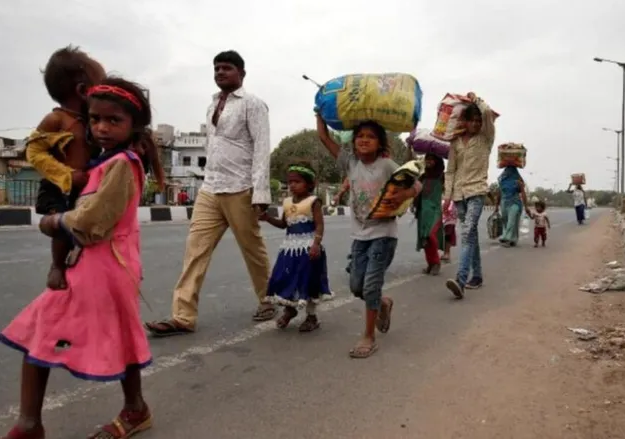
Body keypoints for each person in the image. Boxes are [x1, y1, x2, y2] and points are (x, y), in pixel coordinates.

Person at [0, 77, 164, 439]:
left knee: (93, 333)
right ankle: (31, 422)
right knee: (47, 330)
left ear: (133, 125)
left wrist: (55, 220)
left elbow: (94, 221)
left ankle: (130, 409)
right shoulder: (103, 162)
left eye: (113, 120)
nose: (102, 127)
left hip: (108, 265)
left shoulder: (122, 163)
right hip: (96, 264)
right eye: (95, 119)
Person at [145, 50, 274, 337]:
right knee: (195, 251)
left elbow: (262, 147)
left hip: (240, 187)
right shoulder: (212, 104)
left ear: (242, 73)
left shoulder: (253, 104)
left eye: (226, 68)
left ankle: (269, 299)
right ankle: (182, 316)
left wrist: (260, 192)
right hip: (210, 187)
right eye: (216, 68)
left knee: (252, 250)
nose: (220, 73)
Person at [316, 114, 422, 358]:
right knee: (356, 286)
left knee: (371, 285)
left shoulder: (386, 165)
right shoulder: (351, 164)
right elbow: (323, 137)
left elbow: (416, 185)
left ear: (380, 143)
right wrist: (320, 114)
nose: (364, 140)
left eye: (371, 137)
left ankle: (368, 336)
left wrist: (403, 195)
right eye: (360, 136)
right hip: (360, 235)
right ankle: (383, 303)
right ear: (353, 142)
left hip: (383, 234)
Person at [26, 46, 106, 290]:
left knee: (82, 225)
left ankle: (80, 262)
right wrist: (66, 175)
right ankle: (57, 266)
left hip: (84, 186)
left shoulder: (92, 122)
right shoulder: (56, 120)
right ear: (83, 91)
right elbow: (33, 151)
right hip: (59, 185)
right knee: (61, 226)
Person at [260, 161, 332, 332]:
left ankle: (311, 317)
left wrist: (316, 244)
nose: (292, 185)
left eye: (297, 181)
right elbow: (284, 224)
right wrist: (267, 218)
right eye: (290, 181)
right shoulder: (286, 203)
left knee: (308, 282)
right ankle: (290, 310)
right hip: (289, 250)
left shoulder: (314, 202)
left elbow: (320, 225)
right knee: (284, 279)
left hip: (308, 250)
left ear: (308, 183)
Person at [442, 100, 496, 299]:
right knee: (470, 235)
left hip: (477, 192)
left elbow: (488, 113)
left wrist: (477, 101)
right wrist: (447, 197)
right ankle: (478, 276)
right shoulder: (455, 143)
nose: (475, 124)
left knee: (466, 233)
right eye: (471, 121)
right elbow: (450, 171)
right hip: (458, 195)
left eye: (477, 121)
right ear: (464, 121)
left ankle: (461, 280)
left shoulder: (486, 139)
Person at [414, 153, 446, 275]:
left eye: (432, 159)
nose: (429, 161)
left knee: (431, 235)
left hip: (435, 210)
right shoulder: (422, 176)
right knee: (424, 239)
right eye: (427, 158)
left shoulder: (442, 176)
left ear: (438, 161)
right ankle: (430, 264)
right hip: (423, 211)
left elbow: (450, 188)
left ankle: (436, 262)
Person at [494, 166, 530, 247]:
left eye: (510, 170)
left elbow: (523, 194)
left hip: (515, 203)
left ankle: (507, 238)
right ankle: (513, 239)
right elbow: (499, 194)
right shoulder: (502, 181)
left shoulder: (518, 182)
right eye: (506, 170)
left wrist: (526, 206)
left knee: (511, 220)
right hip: (504, 203)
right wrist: (496, 206)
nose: (508, 172)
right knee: (505, 221)